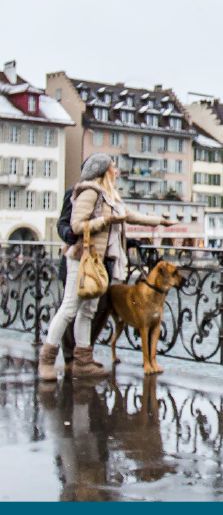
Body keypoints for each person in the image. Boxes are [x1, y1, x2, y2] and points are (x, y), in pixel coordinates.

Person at [38, 153, 177, 381]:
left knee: (88, 311)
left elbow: (129, 216)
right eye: (113, 167)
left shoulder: (110, 196)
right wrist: (104, 221)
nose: (117, 171)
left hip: (100, 261)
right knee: (69, 308)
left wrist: (160, 221)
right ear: (103, 170)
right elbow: (75, 225)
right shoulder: (90, 191)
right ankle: (47, 359)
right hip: (82, 259)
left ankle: (83, 361)